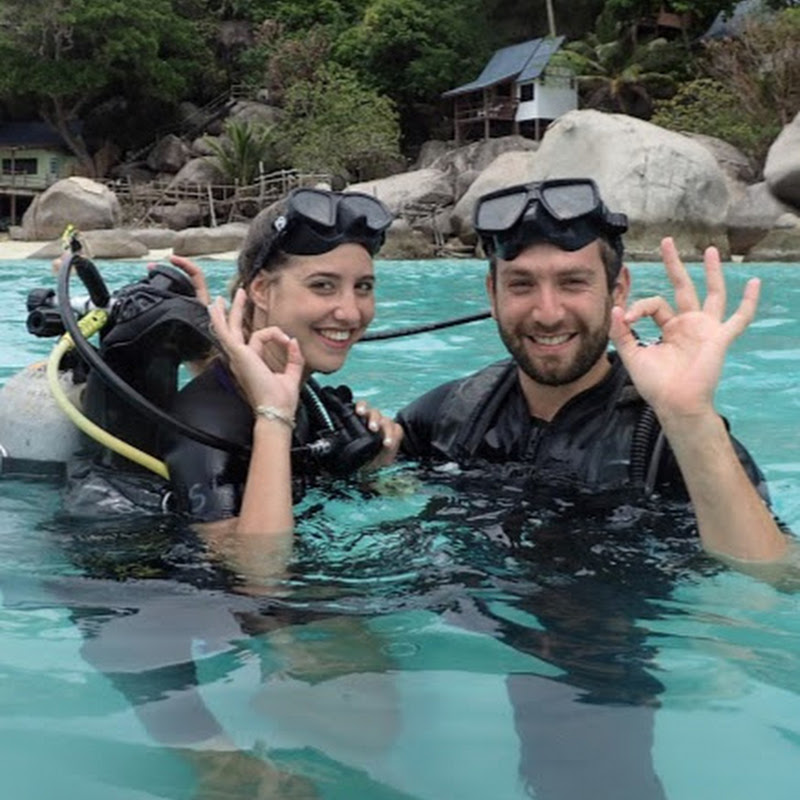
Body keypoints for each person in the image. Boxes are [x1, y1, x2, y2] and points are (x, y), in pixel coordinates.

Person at [397, 177, 789, 565]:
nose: (548, 313)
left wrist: (690, 418)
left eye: (572, 282)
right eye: (521, 284)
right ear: (492, 295)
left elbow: (771, 580)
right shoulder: (445, 419)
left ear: (617, 291)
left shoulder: (669, 442)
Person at [163, 187, 404, 556]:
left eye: (363, 287)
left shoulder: (305, 397)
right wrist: (274, 418)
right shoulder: (206, 426)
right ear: (261, 290)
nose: (351, 313)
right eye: (323, 286)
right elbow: (260, 576)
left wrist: (373, 472)